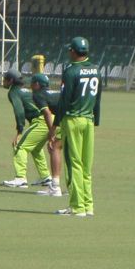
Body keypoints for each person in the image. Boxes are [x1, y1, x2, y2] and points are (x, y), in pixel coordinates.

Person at [49, 37, 100, 217]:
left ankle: (77, 206)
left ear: (73, 51)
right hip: (89, 120)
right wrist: (96, 120)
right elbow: (97, 98)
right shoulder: (95, 69)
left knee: (74, 164)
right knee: (87, 165)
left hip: (72, 120)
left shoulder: (70, 71)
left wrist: (54, 126)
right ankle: (88, 205)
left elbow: (63, 101)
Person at [1, 69, 52, 189]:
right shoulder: (25, 90)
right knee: (35, 149)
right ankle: (45, 177)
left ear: (11, 81)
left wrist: (19, 132)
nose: (3, 81)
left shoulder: (13, 92)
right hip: (49, 120)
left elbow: (19, 112)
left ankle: (20, 178)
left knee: (20, 146)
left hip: (41, 121)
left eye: (5, 79)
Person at [32, 72, 64, 198]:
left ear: (37, 85)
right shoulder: (54, 93)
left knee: (54, 147)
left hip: (68, 120)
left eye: (32, 83)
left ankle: (55, 187)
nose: (30, 86)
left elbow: (47, 113)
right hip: (82, 117)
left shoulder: (38, 94)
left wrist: (51, 131)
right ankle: (73, 188)